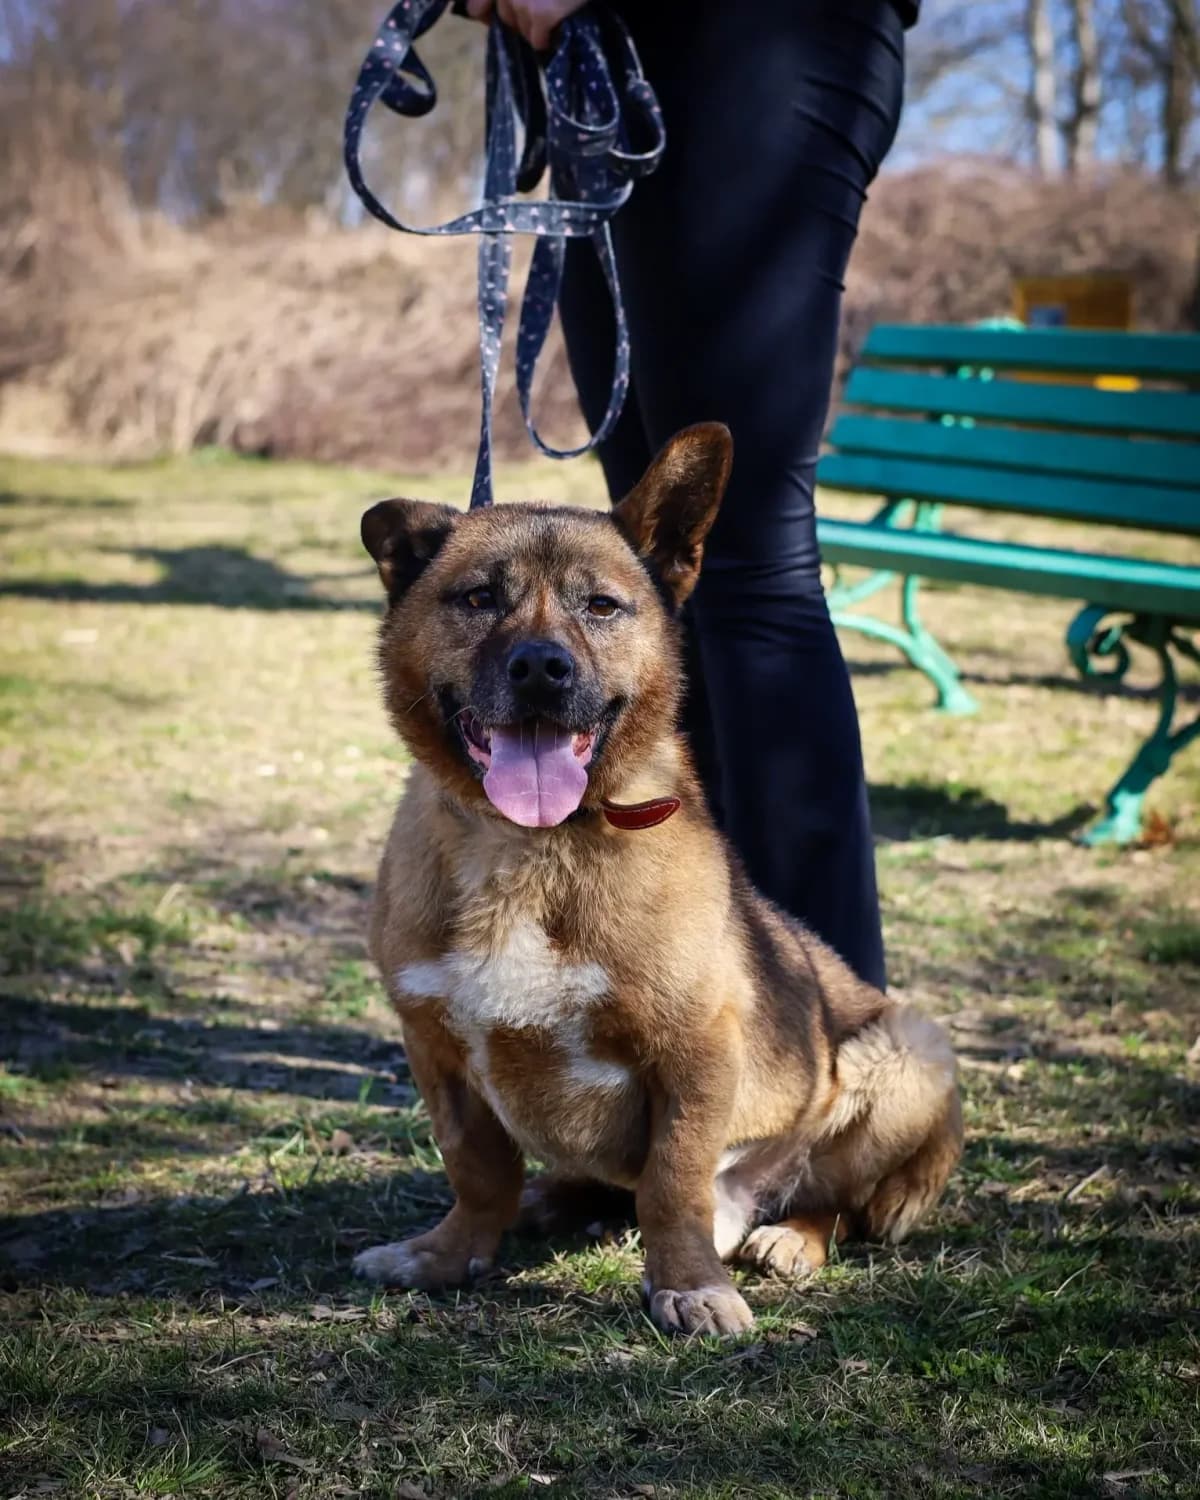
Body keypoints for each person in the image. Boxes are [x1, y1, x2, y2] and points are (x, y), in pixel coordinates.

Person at [467, 0, 916, 990]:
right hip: (590, 65)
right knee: (662, 573)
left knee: (747, 558)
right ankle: (706, 1005)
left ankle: (834, 1028)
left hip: (757, 33)